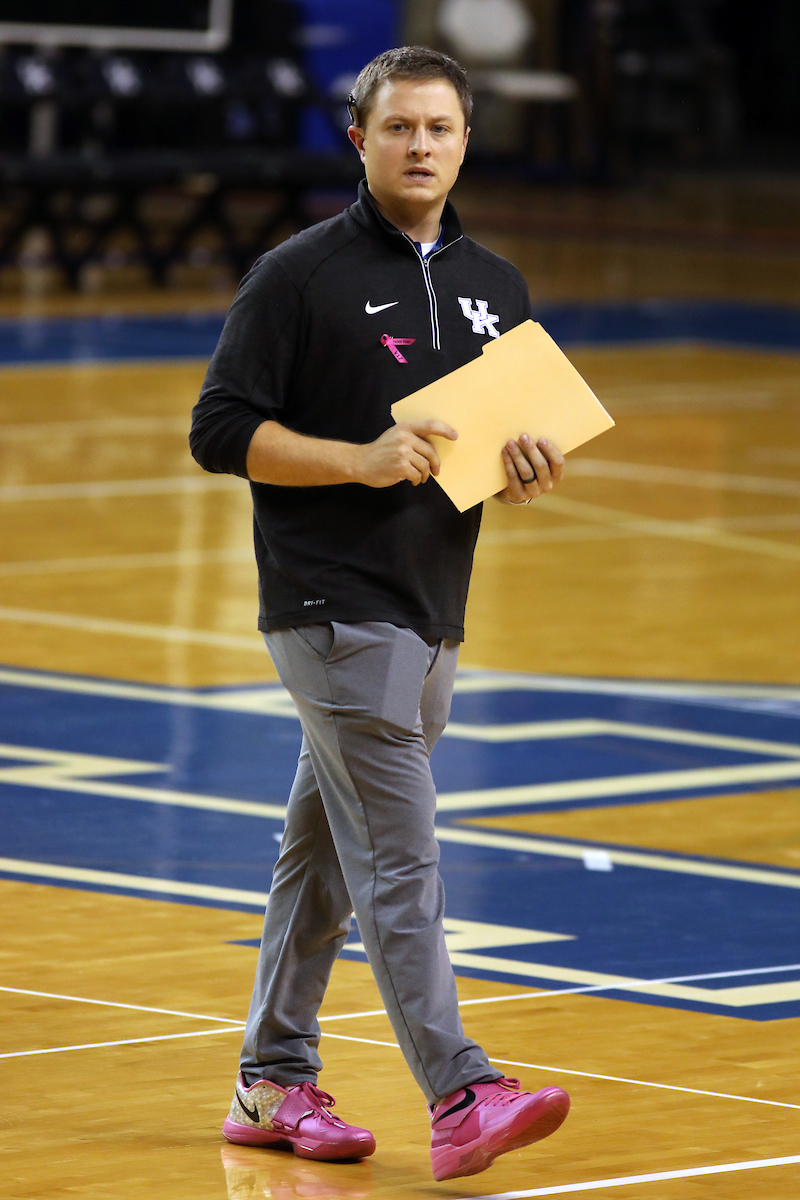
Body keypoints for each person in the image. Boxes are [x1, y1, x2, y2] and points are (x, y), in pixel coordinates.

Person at [190, 45, 569, 1184]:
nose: (419, 146)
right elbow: (218, 430)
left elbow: (489, 452)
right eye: (397, 127)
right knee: (401, 858)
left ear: (463, 142)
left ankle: (271, 1077)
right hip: (326, 607)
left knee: (321, 858)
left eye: (439, 129)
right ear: (358, 140)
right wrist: (355, 463)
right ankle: (459, 1091)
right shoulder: (294, 275)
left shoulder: (497, 286)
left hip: (430, 612)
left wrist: (519, 469)